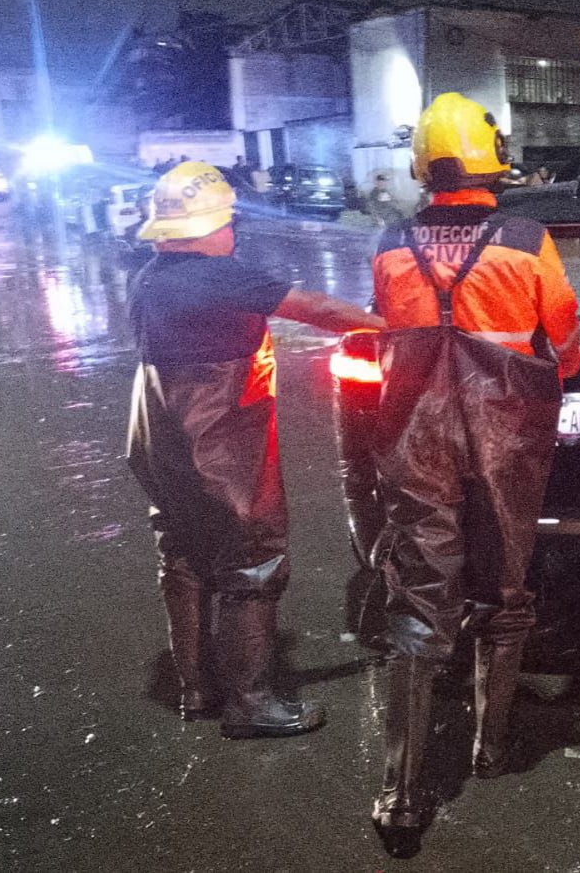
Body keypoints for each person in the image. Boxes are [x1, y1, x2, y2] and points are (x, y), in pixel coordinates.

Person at [367, 92, 580, 858]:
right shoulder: (526, 236)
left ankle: (404, 794)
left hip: (415, 438)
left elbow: (388, 332)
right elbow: (562, 338)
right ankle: (489, 749)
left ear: (424, 167)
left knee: (420, 593)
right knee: (504, 585)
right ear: (491, 160)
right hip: (506, 436)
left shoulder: (389, 241)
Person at [126, 161, 386, 739]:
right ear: (208, 226)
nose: (234, 231)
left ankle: (197, 688)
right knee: (252, 557)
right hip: (218, 435)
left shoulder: (148, 276)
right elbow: (317, 309)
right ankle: (252, 704)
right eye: (228, 222)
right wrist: (390, 325)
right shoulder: (220, 277)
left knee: (185, 552)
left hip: (156, 434)